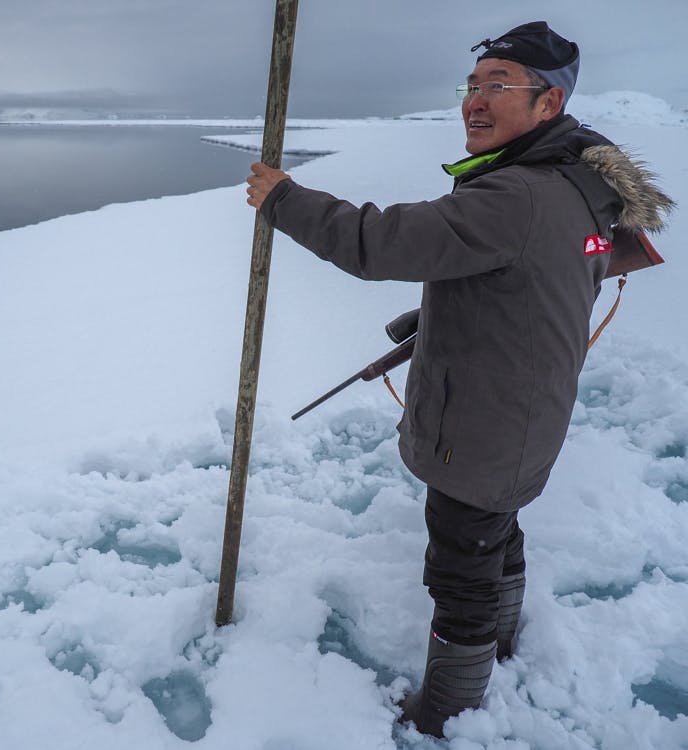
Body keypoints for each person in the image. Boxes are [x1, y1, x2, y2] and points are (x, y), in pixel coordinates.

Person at [246, 21, 673, 738]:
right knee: (495, 533)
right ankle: (501, 647)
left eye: (498, 86)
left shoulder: (517, 195)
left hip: (485, 424)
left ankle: (448, 711)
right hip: (524, 412)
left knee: (461, 565)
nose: (475, 101)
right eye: (472, 86)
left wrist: (284, 199)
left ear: (548, 103)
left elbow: (378, 242)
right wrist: (456, 310)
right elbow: (549, 274)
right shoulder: (579, 184)